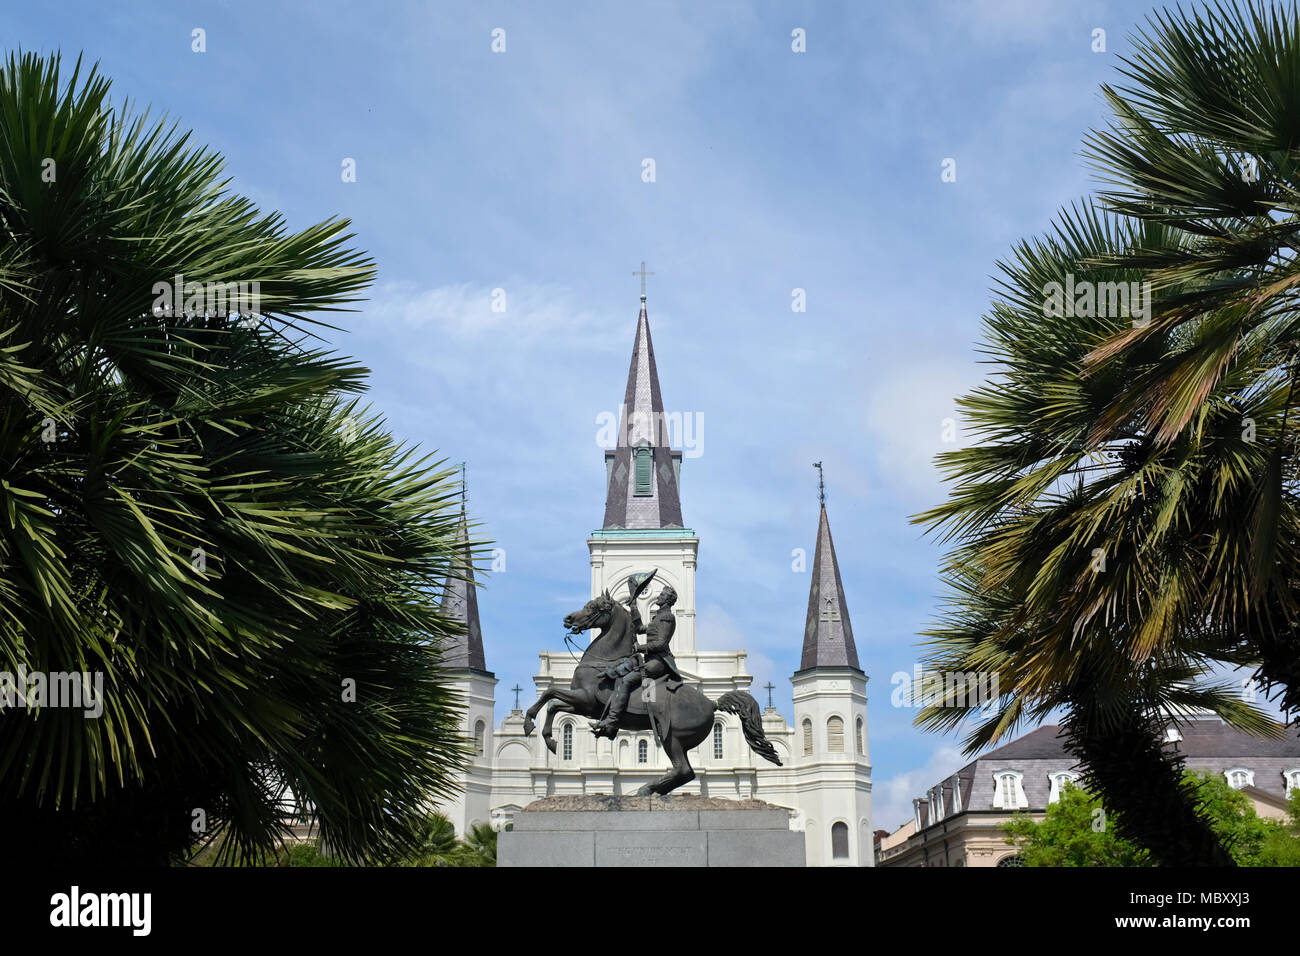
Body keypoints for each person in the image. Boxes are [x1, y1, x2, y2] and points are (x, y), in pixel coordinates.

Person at [590, 583, 681, 739]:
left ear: (667, 600)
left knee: (625, 680)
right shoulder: (657, 618)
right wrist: (633, 606)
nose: (659, 596)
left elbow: (661, 644)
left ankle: (612, 721)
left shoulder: (667, 618)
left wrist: (640, 647)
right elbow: (639, 628)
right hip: (650, 659)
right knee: (620, 672)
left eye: (662, 595)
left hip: (659, 662)